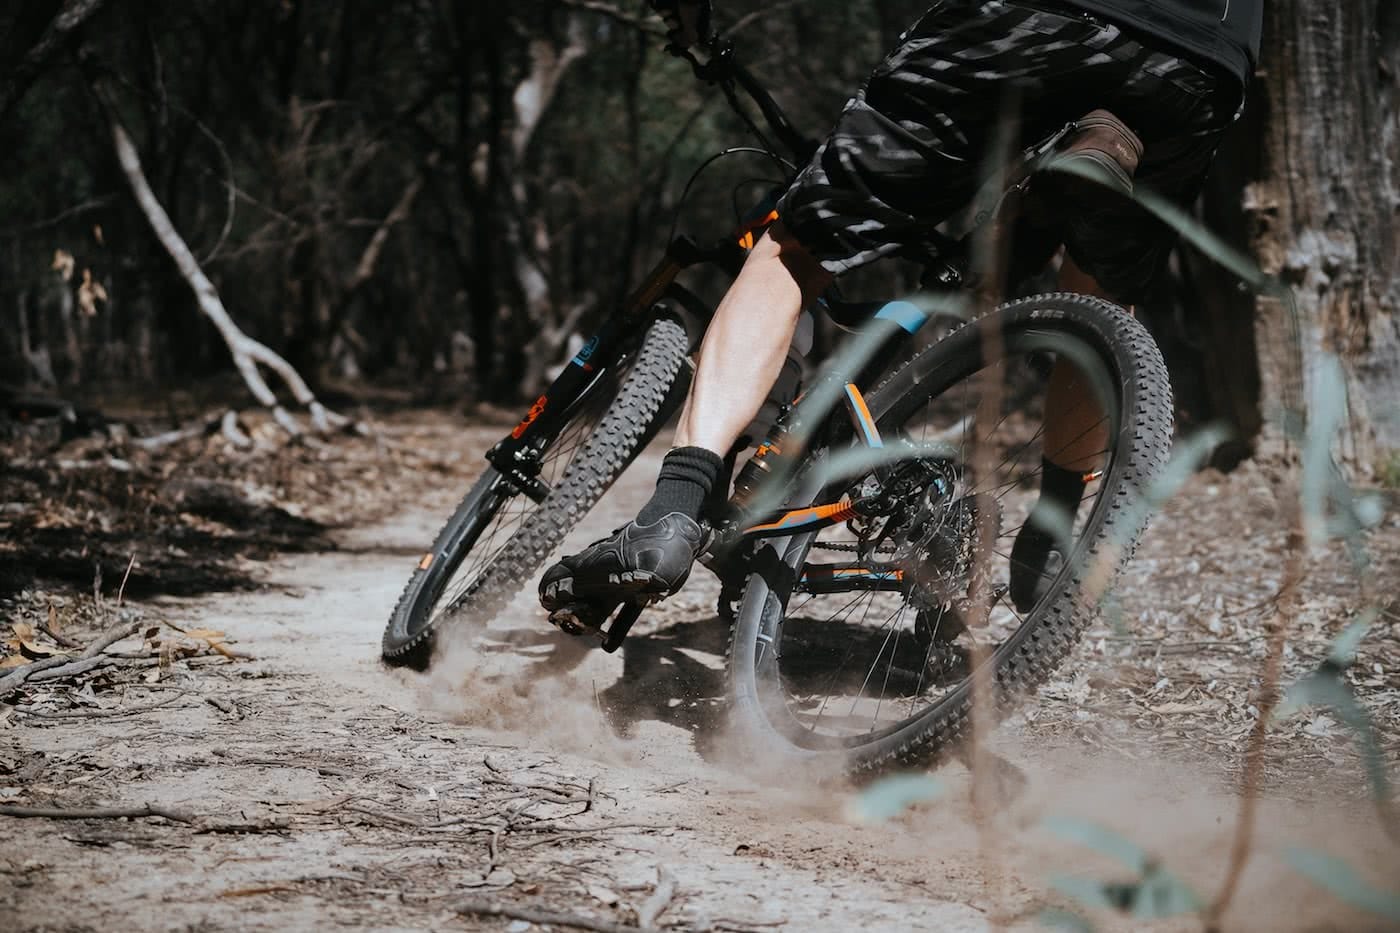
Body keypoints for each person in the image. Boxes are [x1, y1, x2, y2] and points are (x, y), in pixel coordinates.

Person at [540, 0, 1263, 618]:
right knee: (1101, 291)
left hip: (1034, 20)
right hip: (1201, 60)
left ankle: (675, 508)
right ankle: (1051, 534)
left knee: (795, 248)